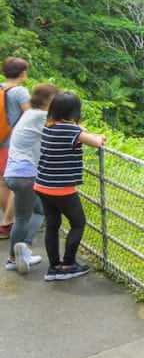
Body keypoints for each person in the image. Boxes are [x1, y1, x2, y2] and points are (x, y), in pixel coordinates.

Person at [35, 91, 106, 281]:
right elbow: (96, 142)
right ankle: (68, 264)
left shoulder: (48, 126)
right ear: (75, 111)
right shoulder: (73, 131)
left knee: (52, 225)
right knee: (78, 223)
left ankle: (54, 267)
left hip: (42, 185)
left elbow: (79, 133)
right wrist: (98, 137)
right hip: (61, 189)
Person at [4, 83, 60, 272]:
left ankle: (23, 249)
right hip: (25, 175)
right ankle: (13, 257)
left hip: (15, 174)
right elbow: (68, 128)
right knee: (22, 218)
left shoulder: (29, 114)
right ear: (45, 100)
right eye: (55, 98)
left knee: (39, 211)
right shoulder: (40, 116)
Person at [0, 57, 31, 238]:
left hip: (0, 141)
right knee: (16, 186)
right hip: (13, 144)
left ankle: (8, 221)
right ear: (23, 73)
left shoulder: (1, 88)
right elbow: (30, 115)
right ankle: (7, 224)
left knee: (3, 183)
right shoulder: (20, 92)